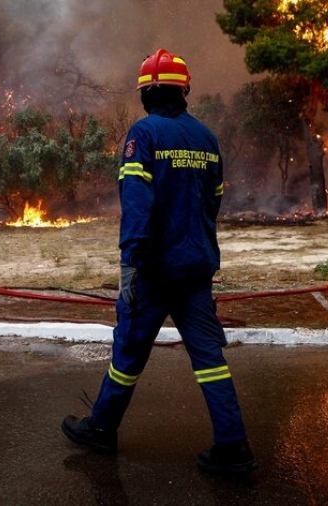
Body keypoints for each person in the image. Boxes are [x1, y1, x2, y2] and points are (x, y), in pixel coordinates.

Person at [61, 49, 255, 475]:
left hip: (153, 270)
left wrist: (132, 261)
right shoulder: (207, 138)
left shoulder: (143, 135)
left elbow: (137, 202)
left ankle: (102, 428)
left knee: (128, 352)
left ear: (147, 91)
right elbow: (214, 201)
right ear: (184, 90)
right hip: (196, 267)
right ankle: (234, 446)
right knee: (209, 359)